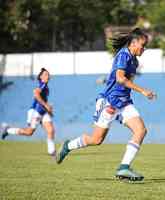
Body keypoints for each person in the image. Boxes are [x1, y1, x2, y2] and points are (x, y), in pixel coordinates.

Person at [55, 28, 156, 182]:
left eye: (145, 45)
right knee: (96, 140)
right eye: (143, 45)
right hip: (109, 101)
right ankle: (68, 146)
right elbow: (120, 79)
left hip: (123, 102)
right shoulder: (123, 55)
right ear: (133, 43)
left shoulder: (134, 61)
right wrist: (143, 91)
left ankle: (123, 168)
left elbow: (125, 82)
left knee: (141, 130)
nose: (144, 48)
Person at [1, 68, 56, 156]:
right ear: (41, 77)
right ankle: (8, 130)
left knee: (51, 130)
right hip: (35, 111)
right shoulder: (42, 85)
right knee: (29, 132)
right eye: (45, 74)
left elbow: (43, 101)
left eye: (48, 74)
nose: (47, 76)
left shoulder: (46, 87)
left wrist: (49, 110)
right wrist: (46, 105)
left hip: (43, 112)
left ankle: (52, 152)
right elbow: (36, 93)